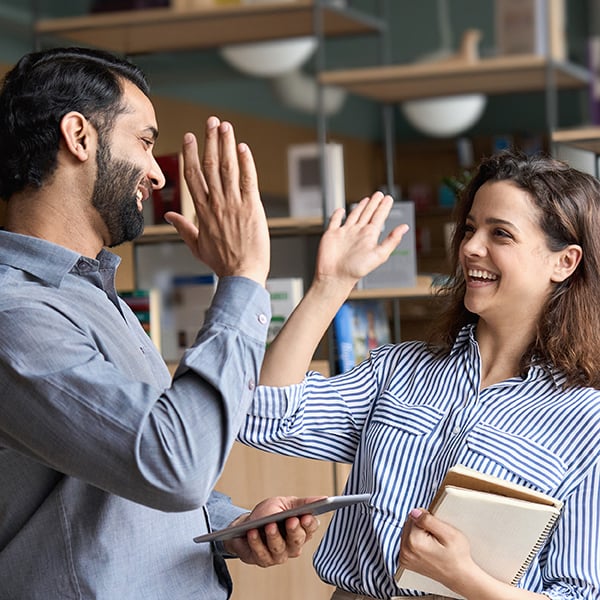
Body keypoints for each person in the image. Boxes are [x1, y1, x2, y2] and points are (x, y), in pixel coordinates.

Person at [0, 46, 322, 599]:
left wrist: (227, 526)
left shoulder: (95, 295)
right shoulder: (16, 315)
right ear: (79, 136)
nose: (154, 171)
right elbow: (173, 464)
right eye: (145, 142)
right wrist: (243, 277)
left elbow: (112, 471)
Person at [238, 150, 600, 600]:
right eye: (470, 228)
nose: (469, 247)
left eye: (500, 234)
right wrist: (330, 285)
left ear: (564, 262)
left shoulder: (588, 420)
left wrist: (462, 577)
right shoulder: (397, 368)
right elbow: (263, 418)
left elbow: (579, 594)